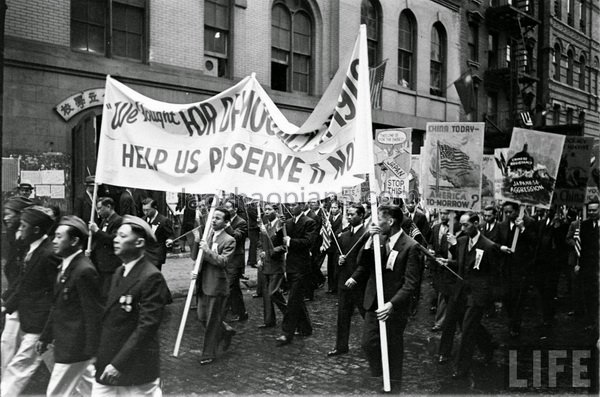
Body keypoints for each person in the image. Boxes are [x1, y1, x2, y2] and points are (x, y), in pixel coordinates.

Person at [93, 215, 172, 396]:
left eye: (122, 236)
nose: (116, 240)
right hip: (110, 360)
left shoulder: (151, 276)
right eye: (117, 235)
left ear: (139, 243)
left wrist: (118, 363)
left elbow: (146, 326)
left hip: (136, 367)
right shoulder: (119, 271)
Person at [349, 205, 421, 387]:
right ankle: (381, 371)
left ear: (390, 221)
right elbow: (362, 263)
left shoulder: (410, 246)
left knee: (393, 346)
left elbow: (410, 283)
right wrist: (367, 239)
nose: (375, 223)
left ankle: (393, 383)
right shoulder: (378, 238)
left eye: (379, 219)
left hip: (394, 306)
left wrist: (392, 304)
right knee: (368, 343)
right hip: (374, 301)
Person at [37, 216, 103, 397]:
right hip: (68, 344)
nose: (54, 241)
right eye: (55, 236)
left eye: (59, 237)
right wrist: (45, 336)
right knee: (90, 389)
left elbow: (93, 313)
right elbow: (58, 306)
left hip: (75, 347)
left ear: (74, 241)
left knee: (56, 392)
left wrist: (92, 350)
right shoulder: (65, 266)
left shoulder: (84, 271)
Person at [1, 206, 59, 396]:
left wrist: (49, 326)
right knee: (71, 369)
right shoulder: (33, 250)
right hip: (33, 318)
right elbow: (24, 285)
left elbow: (54, 293)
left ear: (36, 230)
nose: (20, 229)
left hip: (40, 323)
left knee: (19, 367)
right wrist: (5, 306)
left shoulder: (48, 254)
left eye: (24, 226)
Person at [440, 213, 501, 379]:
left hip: (477, 294)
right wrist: (448, 262)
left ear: (476, 223)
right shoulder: (461, 242)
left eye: (466, 225)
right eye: (461, 225)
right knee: (461, 323)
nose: (462, 228)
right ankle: (488, 345)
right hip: (460, 292)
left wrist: (493, 299)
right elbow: (462, 264)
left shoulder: (489, 246)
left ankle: (461, 368)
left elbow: (495, 274)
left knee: (467, 330)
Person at [191, 207, 237, 365]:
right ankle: (225, 331)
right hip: (202, 282)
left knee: (211, 321)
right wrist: (197, 241)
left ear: (225, 222)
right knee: (202, 317)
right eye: (213, 217)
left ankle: (208, 354)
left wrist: (207, 251)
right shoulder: (207, 235)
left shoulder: (229, 240)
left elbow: (223, 261)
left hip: (216, 285)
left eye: (218, 218)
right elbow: (194, 257)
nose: (213, 220)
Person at [328, 204, 368, 357]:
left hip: (360, 283)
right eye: (348, 215)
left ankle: (377, 343)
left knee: (367, 315)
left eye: (353, 214)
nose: (349, 217)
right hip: (344, 282)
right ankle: (341, 346)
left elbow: (366, 261)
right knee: (342, 316)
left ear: (361, 215)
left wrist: (355, 277)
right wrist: (339, 260)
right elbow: (337, 255)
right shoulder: (343, 236)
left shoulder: (367, 235)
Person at [275, 202, 317, 346]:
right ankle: (306, 328)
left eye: (294, 205)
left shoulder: (309, 222)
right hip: (290, 265)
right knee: (297, 298)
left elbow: (308, 242)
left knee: (293, 300)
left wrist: (291, 241)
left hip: (302, 266)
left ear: (302, 205)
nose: (291, 207)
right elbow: (277, 240)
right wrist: (279, 227)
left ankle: (287, 333)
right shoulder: (287, 222)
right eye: (290, 205)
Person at [1, 196, 33, 372]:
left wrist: (7, 300)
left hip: (28, 299)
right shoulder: (15, 236)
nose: (5, 218)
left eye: (9, 214)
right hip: (19, 297)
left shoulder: (27, 240)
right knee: (9, 340)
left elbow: (24, 276)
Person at [497, 201, 535, 337]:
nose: (508, 215)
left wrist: (523, 229)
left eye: (510, 212)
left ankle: (515, 324)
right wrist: (500, 247)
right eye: (505, 212)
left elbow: (534, 242)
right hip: (506, 267)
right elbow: (495, 242)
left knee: (518, 297)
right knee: (507, 296)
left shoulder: (529, 222)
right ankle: (511, 318)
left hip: (521, 268)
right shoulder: (501, 225)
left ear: (517, 211)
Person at [567, 199, 599, 332]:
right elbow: (582, 247)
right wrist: (579, 264)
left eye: (594, 210)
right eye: (590, 210)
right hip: (589, 266)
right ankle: (592, 321)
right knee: (590, 295)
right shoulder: (584, 226)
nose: (592, 212)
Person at [256, 203, 287, 328]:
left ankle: (290, 315)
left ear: (276, 211)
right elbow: (260, 244)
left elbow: (285, 246)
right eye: (265, 210)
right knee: (266, 295)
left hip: (276, 264)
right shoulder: (265, 226)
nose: (266, 212)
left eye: (269, 209)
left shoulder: (281, 225)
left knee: (273, 292)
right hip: (265, 265)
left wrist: (269, 252)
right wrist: (259, 257)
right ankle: (269, 321)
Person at [89, 197, 123, 302]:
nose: (98, 212)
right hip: (101, 262)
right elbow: (100, 240)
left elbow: (113, 240)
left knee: (108, 293)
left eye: (100, 208)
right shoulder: (104, 221)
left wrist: (97, 231)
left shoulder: (118, 221)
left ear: (108, 207)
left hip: (110, 263)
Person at [428, 209, 454, 332]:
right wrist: (431, 250)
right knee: (439, 291)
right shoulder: (436, 227)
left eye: (446, 213)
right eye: (442, 213)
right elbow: (431, 243)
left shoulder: (456, 227)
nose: (443, 216)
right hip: (437, 264)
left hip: (449, 265)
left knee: (443, 294)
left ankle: (440, 322)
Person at [223, 200, 249, 322]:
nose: (226, 209)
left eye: (228, 207)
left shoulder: (241, 222)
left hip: (236, 259)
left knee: (229, 286)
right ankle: (241, 313)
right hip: (227, 258)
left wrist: (227, 227)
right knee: (234, 289)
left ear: (235, 209)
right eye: (225, 207)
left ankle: (222, 314)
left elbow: (237, 237)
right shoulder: (224, 221)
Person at [142, 198, 174, 271]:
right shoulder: (143, 220)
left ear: (155, 208)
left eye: (148, 210)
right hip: (145, 255)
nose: (145, 212)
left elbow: (171, 235)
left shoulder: (164, 221)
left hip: (156, 256)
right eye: (143, 210)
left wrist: (169, 240)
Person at [304, 199, 326, 301]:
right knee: (312, 265)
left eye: (314, 202)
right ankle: (318, 279)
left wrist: (311, 248)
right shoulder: (304, 215)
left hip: (313, 245)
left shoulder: (314, 216)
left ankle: (316, 282)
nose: (312, 204)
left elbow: (315, 234)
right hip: (305, 245)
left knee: (311, 265)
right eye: (311, 202)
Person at [325, 201, 343, 294]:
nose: (333, 209)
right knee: (330, 267)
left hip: (337, 246)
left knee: (336, 267)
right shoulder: (329, 218)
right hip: (330, 246)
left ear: (339, 209)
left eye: (335, 207)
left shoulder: (342, 218)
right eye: (332, 208)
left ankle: (336, 286)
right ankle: (331, 286)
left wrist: (334, 236)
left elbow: (340, 231)